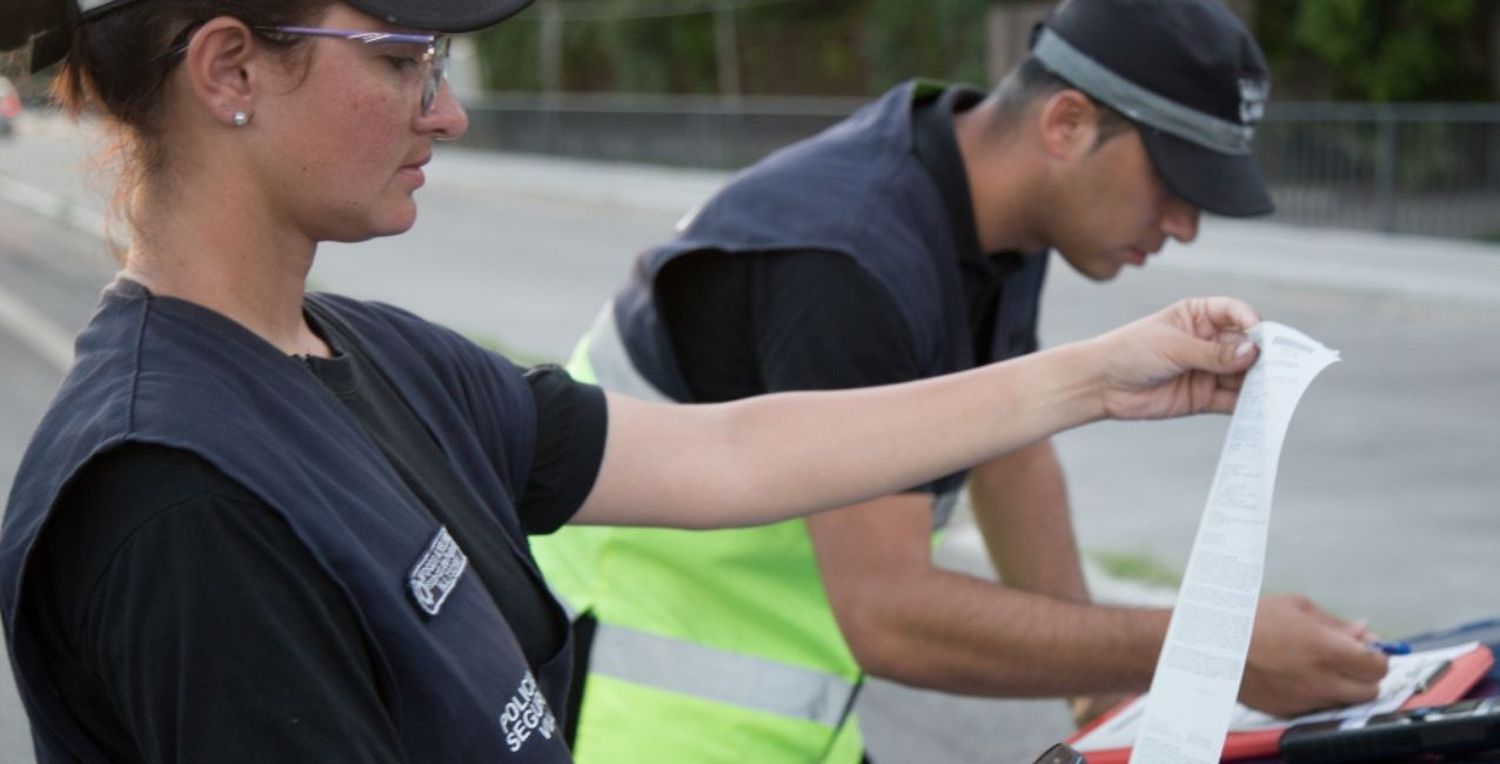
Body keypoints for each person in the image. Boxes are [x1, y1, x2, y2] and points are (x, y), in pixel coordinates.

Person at [0, 0, 1279, 760]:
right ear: (229, 70)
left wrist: (1101, 374)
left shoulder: (375, 353)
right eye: (403, 59)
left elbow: (723, 455)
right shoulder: (172, 493)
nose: (444, 113)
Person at [531, 0, 1390, 761]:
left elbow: (1009, 455)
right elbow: (890, 611)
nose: (1185, 226)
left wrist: (1102, 702)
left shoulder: (987, 212)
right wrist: (1208, 645)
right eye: (1174, 181)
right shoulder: (850, 259)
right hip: (630, 709)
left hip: (777, 708)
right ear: (1065, 125)